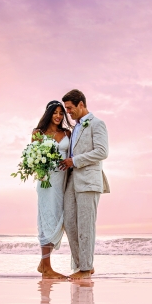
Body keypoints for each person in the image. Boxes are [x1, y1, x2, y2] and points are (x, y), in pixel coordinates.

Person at [60, 89, 110, 280]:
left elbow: (102, 151)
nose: (68, 112)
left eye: (70, 108)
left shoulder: (97, 124)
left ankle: (85, 269)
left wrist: (75, 160)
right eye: (66, 108)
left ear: (81, 104)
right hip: (72, 180)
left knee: (86, 225)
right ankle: (83, 264)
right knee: (69, 222)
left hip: (89, 181)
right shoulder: (75, 129)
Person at [33, 101, 71, 279]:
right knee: (47, 218)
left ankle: (44, 263)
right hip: (46, 181)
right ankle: (47, 266)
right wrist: (39, 171)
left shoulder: (67, 133)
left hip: (62, 182)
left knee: (58, 218)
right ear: (48, 113)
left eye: (61, 113)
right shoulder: (38, 133)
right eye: (55, 112)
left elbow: (71, 156)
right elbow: (32, 158)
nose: (58, 116)